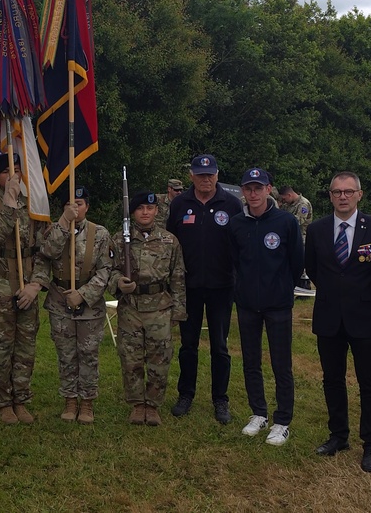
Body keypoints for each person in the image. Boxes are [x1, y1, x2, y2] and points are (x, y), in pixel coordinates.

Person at [304, 171, 371, 472]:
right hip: (329, 318)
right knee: (332, 380)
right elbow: (313, 269)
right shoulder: (316, 230)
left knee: (369, 383)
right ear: (329, 195)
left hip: (365, 319)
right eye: (337, 192)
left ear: (359, 195)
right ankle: (338, 435)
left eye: (348, 192)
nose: (342, 196)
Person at [229, 167, 303, 446]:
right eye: (248, 188)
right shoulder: (236, 223)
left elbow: (297, 262)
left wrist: (283, 288)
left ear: (269, 189)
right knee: (251, 361)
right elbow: (235, 261)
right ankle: (258, 413)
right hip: (247, 304)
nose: (253, 193)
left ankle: (282, 420)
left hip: (278, 305)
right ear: (243, 191)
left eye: (258, 188)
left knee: (281, 364)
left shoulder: (286, 222)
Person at [166, 154, 243, 422]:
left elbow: (240, 244)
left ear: (218, 175)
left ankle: (220, 399)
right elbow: (170, 243)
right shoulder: (179, 204)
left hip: (222, 287)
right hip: (188, 287)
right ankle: (186, 393)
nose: (205, 179)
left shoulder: (232, 204)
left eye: (210, 174)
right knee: (188, 345)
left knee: (220, 346)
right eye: (200, 174)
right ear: (191, 177)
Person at [0, 153, 47, 424]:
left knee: (26, 345)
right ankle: (4, 401)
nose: (13, 177)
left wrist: (36, 284)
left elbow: (44, 251)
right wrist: (9, 202)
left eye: (17, 171)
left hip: (27, 282)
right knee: (0, 345)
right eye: (6, 172)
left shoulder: (33, 208)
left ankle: (22, 398)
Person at [36, 185, 114, 424]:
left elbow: (106, 270)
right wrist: (62, 223)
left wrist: (83, 294)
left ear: (87, 207)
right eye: (70, 204)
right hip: (60, 300)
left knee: (88, 353)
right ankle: (70, 399)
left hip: (89, 303)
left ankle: (87, 401)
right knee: (66, 354)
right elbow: (47, 252)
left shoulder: (100, 234)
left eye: (79, 204)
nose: (75, 208)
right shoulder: (54, 231)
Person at [109, 191, 186, 426]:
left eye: (150, 208)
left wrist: (178, 310)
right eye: (140, 208)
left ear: (156, 211)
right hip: (130, 307)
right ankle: (136, 404)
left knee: (159, 357)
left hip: (160, 308)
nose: (145, 212)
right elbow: (108, 269)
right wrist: (118, 283)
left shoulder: (169, 241)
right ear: (133, 212)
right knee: (130, 357)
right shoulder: (120, 239)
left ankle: (152, 405)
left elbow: (178, 276)